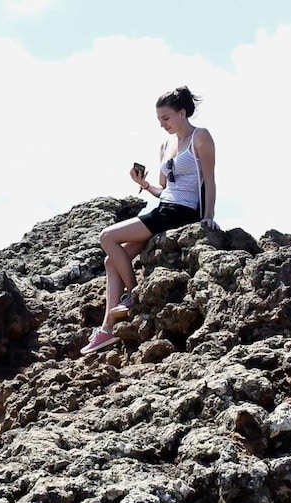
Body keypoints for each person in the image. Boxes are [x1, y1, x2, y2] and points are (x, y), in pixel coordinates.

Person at [80, 85, 219, 355]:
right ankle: (108, 329)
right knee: (111, 260)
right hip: (164, 209)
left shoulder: (200, 137)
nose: (162, 124)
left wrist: (208, 217)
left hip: (183, 212)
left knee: (107, 236)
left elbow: (210, 180)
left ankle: (135, 295)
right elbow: (163, 189)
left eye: (166, 118)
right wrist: (142, 184)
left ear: (182, 113)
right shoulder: (165, 145)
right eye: (158, 119)